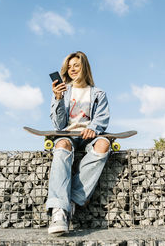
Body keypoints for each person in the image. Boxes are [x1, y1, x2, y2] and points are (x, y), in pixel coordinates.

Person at [47, 51, 111, 236]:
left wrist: (94, 127)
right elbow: (58, 125)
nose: (72, 69)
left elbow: (102, 118)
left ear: (84, 67)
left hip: (90, 135)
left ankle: (72, 199)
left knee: (103, 145)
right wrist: (58, 99)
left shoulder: (99, 94)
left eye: (76, 65)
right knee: (61, 146)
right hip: (68, 135)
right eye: (69, 66)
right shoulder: (64, 91)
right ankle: (59, 211)